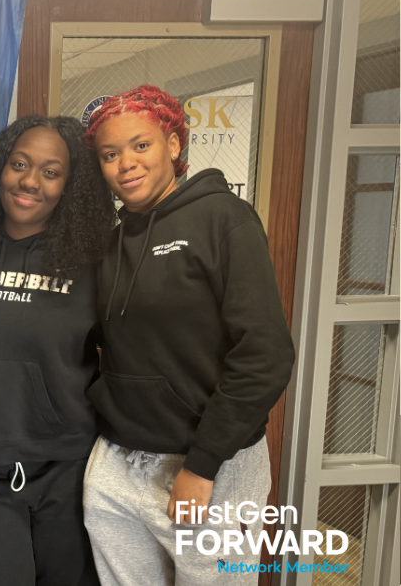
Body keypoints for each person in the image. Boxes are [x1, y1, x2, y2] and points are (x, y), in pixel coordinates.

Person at [80, 85, 294, 585]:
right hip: (118, 464)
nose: (125, 164)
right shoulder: (111, 244)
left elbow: (265, 355)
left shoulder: (224, 219)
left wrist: (201, 468)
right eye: (110, 154)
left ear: (174, 145)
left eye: (141, 145)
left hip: (208, 468)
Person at [0, 115, 115, 585]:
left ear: (69, 186)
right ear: (0, 168)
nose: (30, 181)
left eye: (51, 172)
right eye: (19, 164)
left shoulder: (94, 264)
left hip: (67, 468)